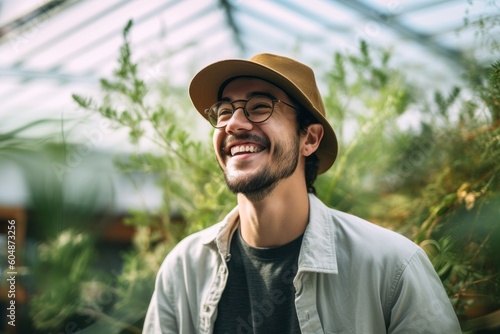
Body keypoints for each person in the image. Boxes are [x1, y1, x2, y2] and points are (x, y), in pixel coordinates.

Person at [143, 53, 461, 333]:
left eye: (260, 107)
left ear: (309, 139)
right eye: (224, 110)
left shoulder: (392, 268)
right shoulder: (183, 270)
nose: (234, 124)